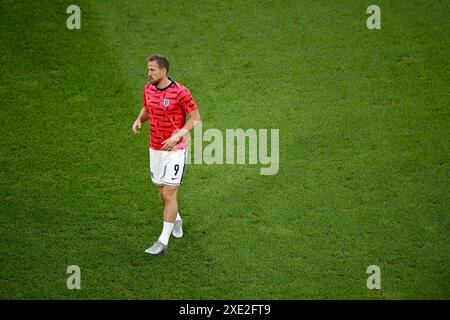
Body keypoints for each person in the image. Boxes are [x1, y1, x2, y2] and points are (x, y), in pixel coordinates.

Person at [132, 54, 201, 255]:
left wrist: (176, 137)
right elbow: (147, 108)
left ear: (164, 71)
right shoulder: (148, 88)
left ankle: (162, 242)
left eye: (152, 70)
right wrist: (138, 120)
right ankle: (176, 218)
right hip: (155, 148)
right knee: (163, 194)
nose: (149, 73)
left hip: (175, 150)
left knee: (170, 193)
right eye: (148, 69)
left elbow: (195, 118)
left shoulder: (180, 92)